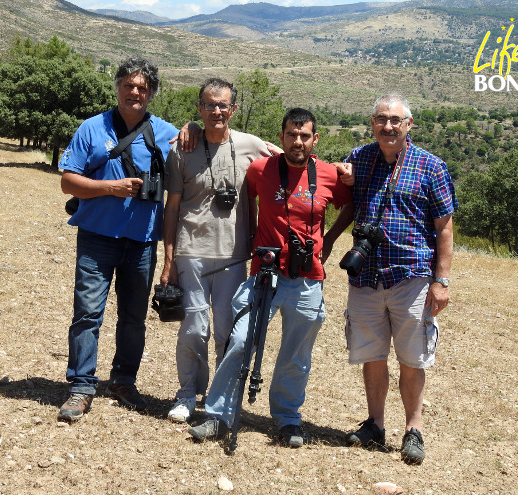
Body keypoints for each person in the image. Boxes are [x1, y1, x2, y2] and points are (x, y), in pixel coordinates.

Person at [188, 108, 353, 448]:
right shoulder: (260, 169)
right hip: (264, 274)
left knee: (296, 354)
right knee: (241, 340)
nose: (297, 141)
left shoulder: (328, 175)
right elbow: (245, 198)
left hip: (308, 279)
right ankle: (219, 415)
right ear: (281, 138)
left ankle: (287, 419)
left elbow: (350, 204)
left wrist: (332, 238)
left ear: (315, 139)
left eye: (304, 135)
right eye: (291, 135)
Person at [326, 93, 457, 464]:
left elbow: (444, 228)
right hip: (365, 276)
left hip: (412, 277)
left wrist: (441, 281)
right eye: (381, 119)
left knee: (412, 358)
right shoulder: (359, 159)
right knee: (372, 354)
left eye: (395, 120)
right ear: (372, 123)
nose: (388, 126)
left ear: (408, 124)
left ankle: (413, 429)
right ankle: (375, 424)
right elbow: (335, 191)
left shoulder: (431, 167)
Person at [57, 57, 186, 421]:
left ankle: (123, 381)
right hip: (97, 238)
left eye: (143, 88)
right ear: (117, 87)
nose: (135, 92)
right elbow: (68, 181)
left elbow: (200, 141)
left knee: (133, 318)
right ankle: (81, 386)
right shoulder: (91, 129)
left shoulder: (165, 132)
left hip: (143, 242)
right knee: (87, 314)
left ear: (151, 94)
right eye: (129, 85)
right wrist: (110, 188)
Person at [160, 78, 280, 423]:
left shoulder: (251, 145)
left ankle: (222, 397)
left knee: (228, 329)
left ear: (233, 109)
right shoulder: (181, 149)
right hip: (191, 252)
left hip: (234, 256)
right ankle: (187, 394)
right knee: (194, 328)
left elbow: (292, 160)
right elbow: (172, 208)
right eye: (209, 105)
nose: (216, 111)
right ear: (199, 108)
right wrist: (168, 260)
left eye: (223, 105)